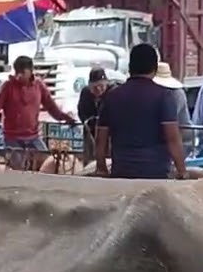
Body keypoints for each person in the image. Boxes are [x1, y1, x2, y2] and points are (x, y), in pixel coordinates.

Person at [94, 43, 188, 180]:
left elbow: (100, 138)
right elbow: (172, 138)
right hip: (156, 173)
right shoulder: (164, 96)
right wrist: (182, 171)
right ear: (154, 68)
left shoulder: (111, 97)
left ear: (130, 67)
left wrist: (101, 167)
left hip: (121, 172)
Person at [0, 55, 78, 170]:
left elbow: (51, 107)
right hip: (12, 137)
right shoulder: (7, 87)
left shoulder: (39, 86)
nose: (20, 75)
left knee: (47, 162)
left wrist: (65, 118)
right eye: (17, 71)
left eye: (23, 71)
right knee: (17, 168)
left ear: (31, 71)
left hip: (33, 136)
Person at [153, 62, 193, 164]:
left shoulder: (175, 94)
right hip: (176, 139)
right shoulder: (171, 93)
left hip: (180, 140)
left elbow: (169, 119)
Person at [77, 67, 108, 166]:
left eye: (101, 86)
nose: (98, 90)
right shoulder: (85, 93)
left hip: (108, 132)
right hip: (90, 130)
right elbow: (82, 111)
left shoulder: (113, 92)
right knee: (90, 156)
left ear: (106, 83)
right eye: (95, 87)